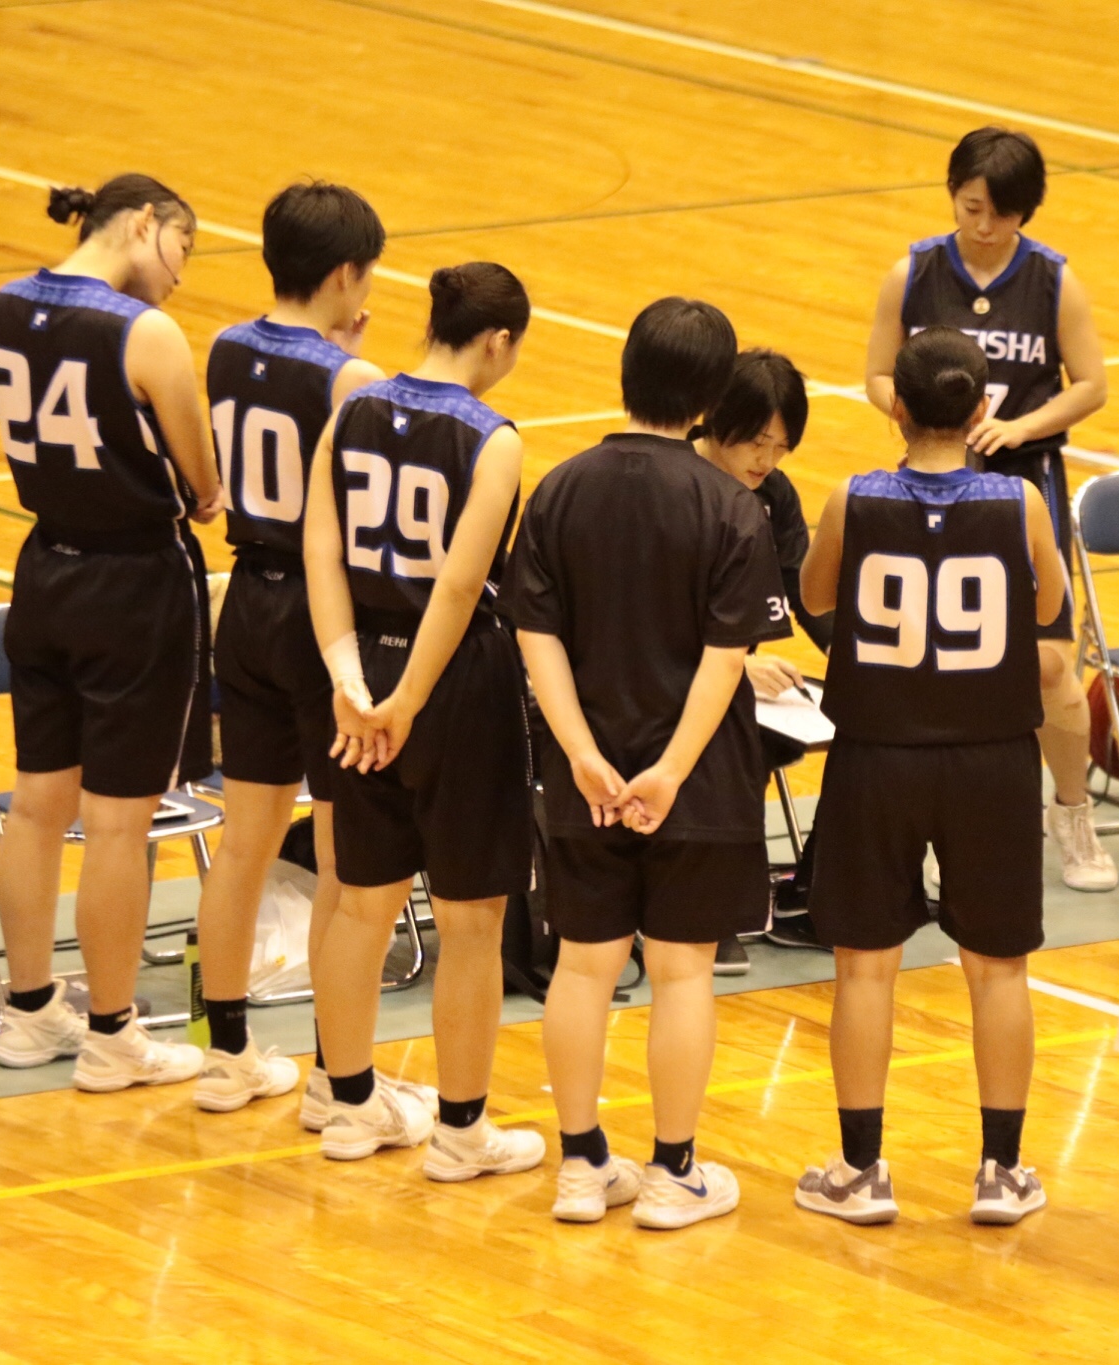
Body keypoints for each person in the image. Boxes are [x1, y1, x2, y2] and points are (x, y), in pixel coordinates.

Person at [506, 299, 788, 1231]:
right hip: (696, 782)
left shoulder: (559, 489)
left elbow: (536, 637)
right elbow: (724, 658)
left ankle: (581, 1167)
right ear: (709, 398)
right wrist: (667, 772)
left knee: (582, 966)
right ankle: (672, 1174)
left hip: (582, 780)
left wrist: (582, 754)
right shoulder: (730, 506)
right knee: (682, 971)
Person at [794, 327, 1068, 1227]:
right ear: (983, 407)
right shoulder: (1020, 500)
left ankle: (859, 1170)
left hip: (878, 753)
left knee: (865, 967)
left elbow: (815, 595)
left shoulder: (853, 497)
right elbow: (1050, 604)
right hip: (992, 756)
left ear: (897, 407)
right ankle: (1002, 1171)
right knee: (998, 968)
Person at [302, 262, 543, 1182]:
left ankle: (349, 1105)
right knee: (471, 917)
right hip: (454, 682)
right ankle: (462, 1133)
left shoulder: (351, 407)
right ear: (497, 341)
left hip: (358, 667)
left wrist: (349, 680)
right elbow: (460, 584)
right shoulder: (493, 437)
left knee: (361, 899)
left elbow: (320, 549)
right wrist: (407, 700)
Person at [0, 176, 219, 1088]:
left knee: (37, 805)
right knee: (119, 823)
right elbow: (203, 486)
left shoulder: (1, 308)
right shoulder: (145, 333)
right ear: (145, 223)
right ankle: (115, 1035)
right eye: (183, 248)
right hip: (134, 582)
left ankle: (27, 1012)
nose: (182, 274)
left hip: (45, 567)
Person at [866, 128, 1117, 894]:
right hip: (928, 482)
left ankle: (1070, 812)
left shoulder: (1054, 281)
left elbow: (1092, 384)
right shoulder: (912, 271)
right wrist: (924, 418)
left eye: (1000, 213)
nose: (982, 225)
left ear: (1025, 211)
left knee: (1050, 665)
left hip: (1020, 485)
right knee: (928, 657)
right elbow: (877, 374)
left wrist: (1020, 427)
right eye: (971, 207)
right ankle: (933, 822)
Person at [193, 182, 387, 1117]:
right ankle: (334, 1074)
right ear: (347, 272)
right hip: (321, 618)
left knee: (244, 844)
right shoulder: (354, 379)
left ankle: (225, 1053)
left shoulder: (226, 346)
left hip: (245, 604)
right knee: (344, 859)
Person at [692, 348, 825, 971]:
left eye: (781, 448)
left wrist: (862, 659)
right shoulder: (671, 484)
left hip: (737, 679)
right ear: (717, 419)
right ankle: (712, 911)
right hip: (669, 680)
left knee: (873, 724)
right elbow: (638, 616)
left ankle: (818, 893)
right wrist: (735, 666)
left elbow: (805, 592)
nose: (766, 461)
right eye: (756, 443)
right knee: (732, 732)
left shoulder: (773, 493)